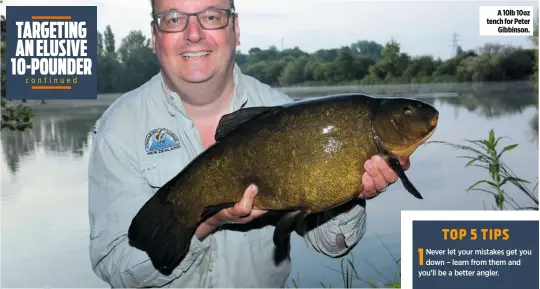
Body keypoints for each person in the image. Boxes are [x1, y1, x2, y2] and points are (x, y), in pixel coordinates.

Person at [87, 0, 410, 287]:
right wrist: (207, 222)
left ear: (236, 28)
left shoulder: (290, 117)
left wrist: (353, 191)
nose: (194, 33)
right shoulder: (119, 127)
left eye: (211, 16)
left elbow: (333, 244)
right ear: (155, 37)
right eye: (173, 19)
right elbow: (117, 269)